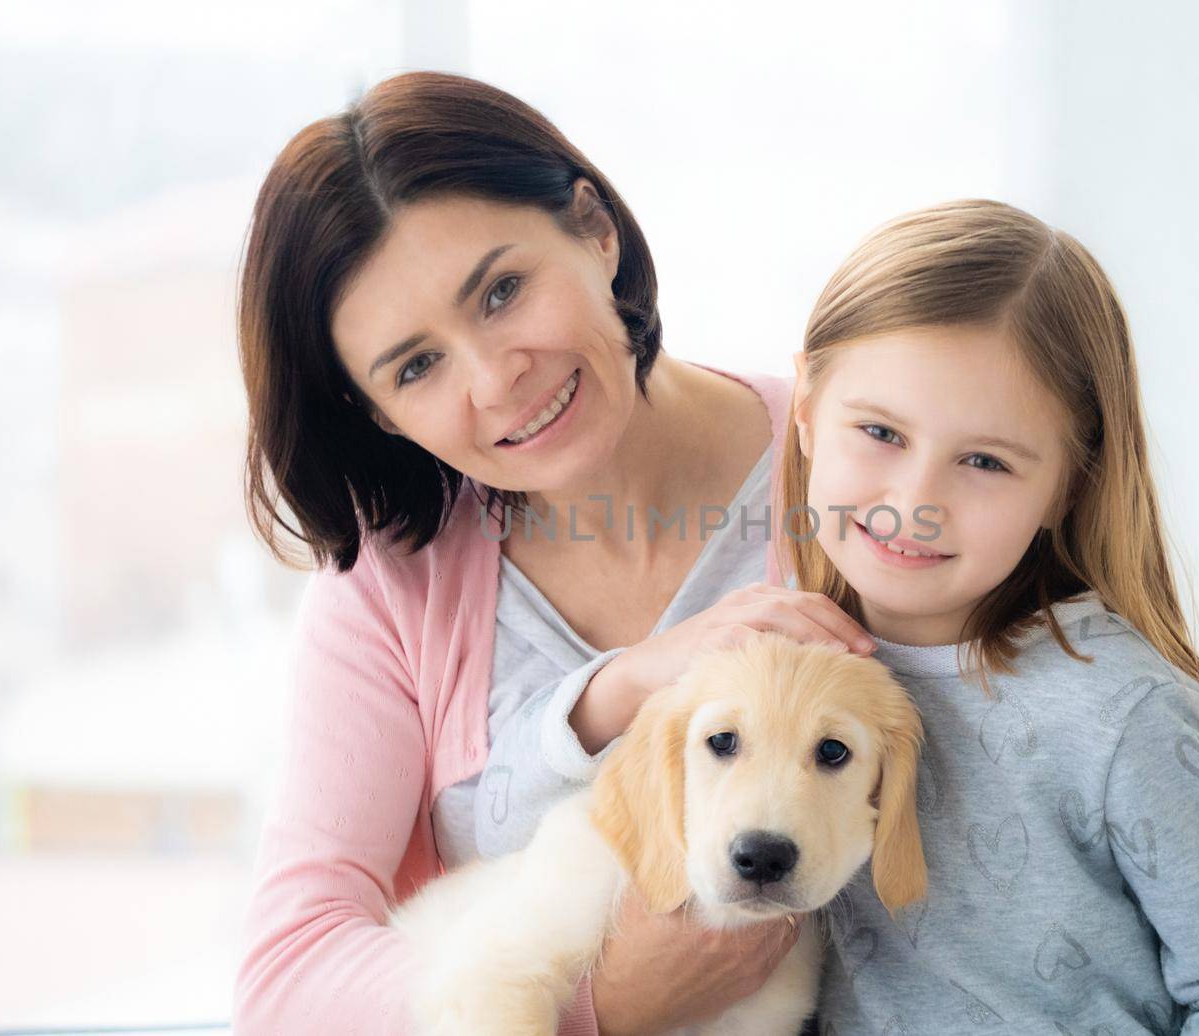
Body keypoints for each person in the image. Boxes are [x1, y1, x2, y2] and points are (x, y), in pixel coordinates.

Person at [230, 70, 877, 1036]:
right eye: (416, 366)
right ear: (377, 413)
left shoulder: (864, 473)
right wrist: (598, 1004)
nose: (495, 382)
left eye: (500, 292)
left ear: (594, 232)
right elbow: (287, 981)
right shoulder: (392, 586)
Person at [781, 199, 1199, 1032]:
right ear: (807, 410)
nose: (914, 501)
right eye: (881, 432)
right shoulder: (770, 673)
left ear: (1068, 486)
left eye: (985, 461)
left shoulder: (1119, 714)